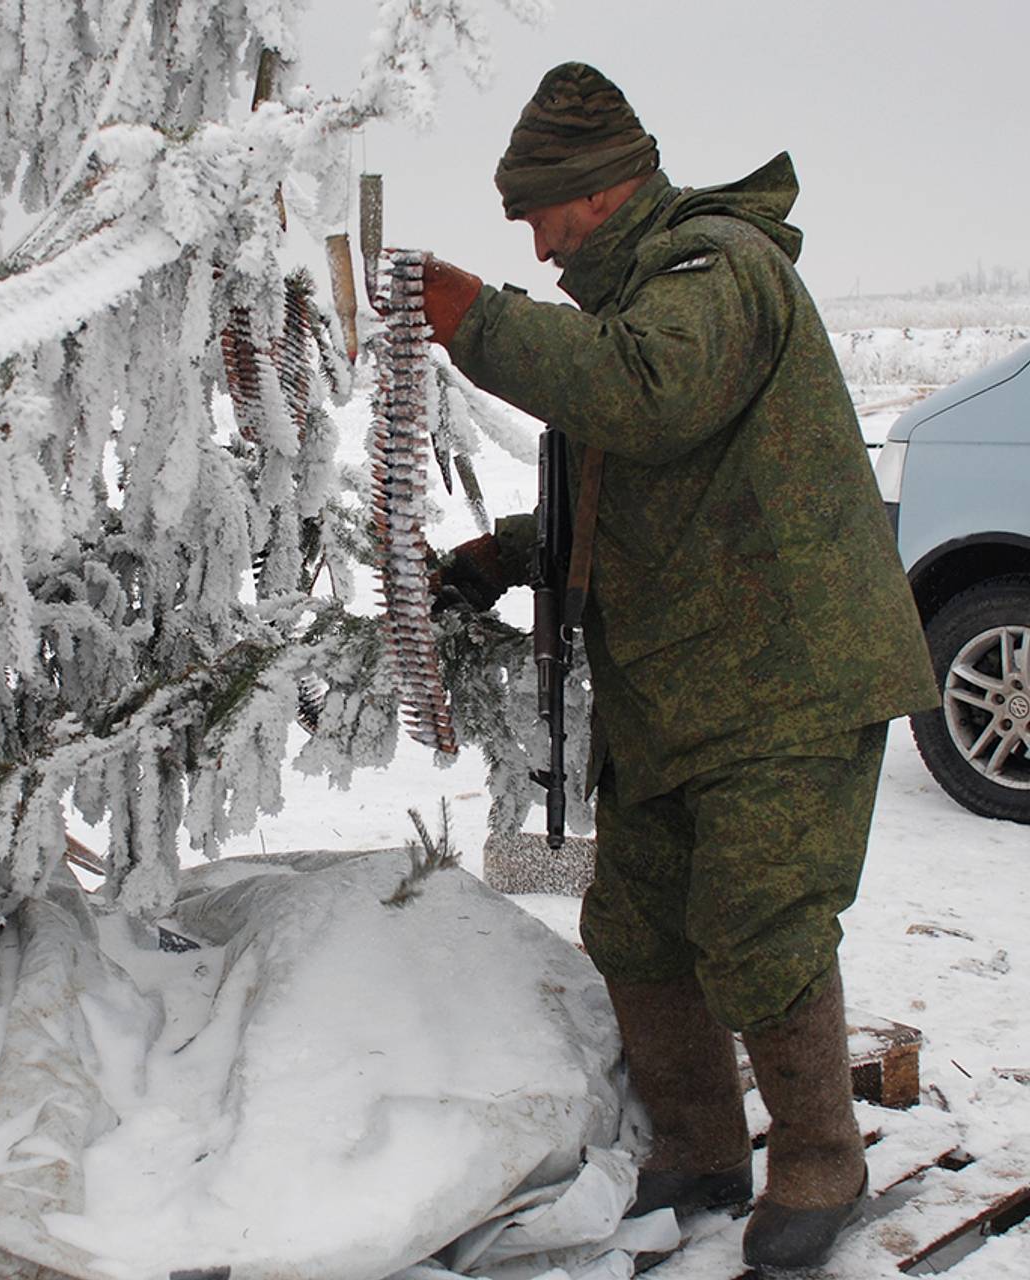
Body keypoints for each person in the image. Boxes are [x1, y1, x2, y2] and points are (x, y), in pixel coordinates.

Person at [423, 63, 939, 1272]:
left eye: (539, 215)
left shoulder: (716, 269)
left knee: (756, 915)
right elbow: (628, 478)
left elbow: (648, 397)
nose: (536, 247)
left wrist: (478, 323)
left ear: (596, 195)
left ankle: (820, 1156)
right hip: (681, 681)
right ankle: (704, 1146)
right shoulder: (636, 301)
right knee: (638, 923)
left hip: (784, 672)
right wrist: (501, 555)